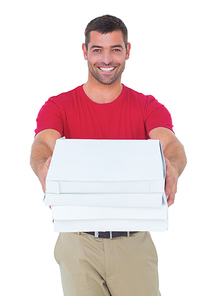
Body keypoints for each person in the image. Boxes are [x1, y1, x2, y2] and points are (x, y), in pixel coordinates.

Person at [30, 15, 187, 296]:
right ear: (84, 51)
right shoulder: (59, 105)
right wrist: (43, 167)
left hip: (133, 241)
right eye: (97, 49)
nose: (107, 59)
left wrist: (173, 166)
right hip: (78, 243)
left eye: (115, 49)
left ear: (127, 51)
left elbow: (170, 143)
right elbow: (43, 143)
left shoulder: (147, 105)